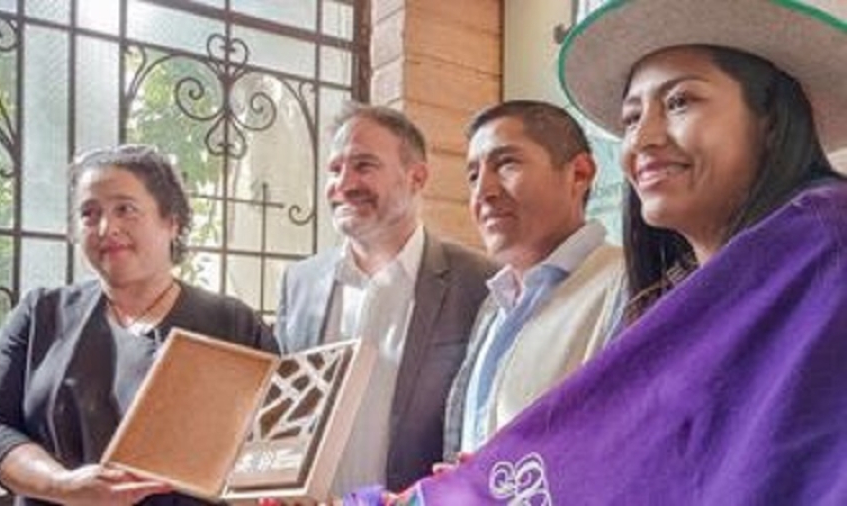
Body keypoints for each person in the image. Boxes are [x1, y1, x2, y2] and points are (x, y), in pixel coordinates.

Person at [344, 0, 847, 504]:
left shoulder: (825, 245)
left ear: (770, 118)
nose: (643, 139)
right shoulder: (664, 294)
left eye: (680, 102)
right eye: (631, 119)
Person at [0, 144, 279, 505]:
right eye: (89, 213)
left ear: (172, 221)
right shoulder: (40, 315)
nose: (106, 227)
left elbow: (278, 439)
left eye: (125, 209)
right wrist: (61, 484)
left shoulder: (233, 324)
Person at [275, 103, 496, 494]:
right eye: (334, 169)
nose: (343, 184)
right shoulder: (299, 284)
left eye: (364, 165)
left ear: (416, 177)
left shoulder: (479, 283)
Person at [443, 100, 624, 460]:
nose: (484, 192)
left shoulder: (629, 287)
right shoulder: (492, 307)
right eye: (473, 175)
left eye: (506, 164)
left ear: (579, 174)